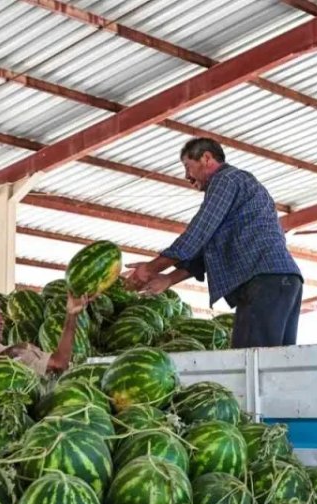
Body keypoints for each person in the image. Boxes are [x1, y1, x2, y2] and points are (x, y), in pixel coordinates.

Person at [122, 137, 303, 348]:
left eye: (188, 167)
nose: (187, 176)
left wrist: (151, 268)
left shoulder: (226, 180)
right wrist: (169, 279)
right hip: (282, 282)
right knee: (276, 365)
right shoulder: (238, 187)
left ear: (207, 158)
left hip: (265, 282)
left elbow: (198, 233)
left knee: (251, 362)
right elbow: (206, 251)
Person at [0, 294, 89, 380]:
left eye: (1, 316)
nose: (1, 321)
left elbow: (59, 363)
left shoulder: (19, 353)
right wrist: (10, 353)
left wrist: (71, 315)